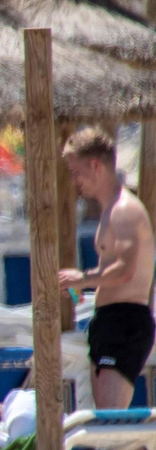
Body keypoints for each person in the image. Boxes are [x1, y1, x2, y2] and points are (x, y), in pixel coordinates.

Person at [58, 127, 156, 414]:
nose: (74, 181)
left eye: (76, 172)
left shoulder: (125, 210)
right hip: (108, 321)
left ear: (95, 166)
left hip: (126, 322)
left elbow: (126, 270)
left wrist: (83, 278)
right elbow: (110, 275)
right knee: (108, 428)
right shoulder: (108, 210)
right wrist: (80, 290)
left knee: (112, 425)